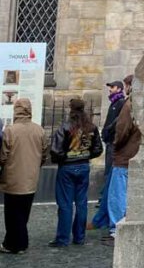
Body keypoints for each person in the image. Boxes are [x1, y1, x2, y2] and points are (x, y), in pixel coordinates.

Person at [49, 98, 102, 248]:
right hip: (83, 166)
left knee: (65, 204)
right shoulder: (91, 127)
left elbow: (56, 150)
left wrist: (63, 158)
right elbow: (98, 148)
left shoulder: (65, 127)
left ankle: (63, 238)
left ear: (71, 110)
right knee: (81, 203)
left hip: (67, 167)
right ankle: (79, 237)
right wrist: (85, 156)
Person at [0, 98, 48, 254]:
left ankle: (14, 244)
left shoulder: (10, 130)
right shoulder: (39, 130)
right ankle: (20, 242)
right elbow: (44, 154)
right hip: (31, 178)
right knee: (24, 212)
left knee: (12, 214)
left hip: (13, 178)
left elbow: (3, 156)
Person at [88, 80, 126, 232]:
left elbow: (118, 125)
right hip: (111, 144)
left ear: (121, 88)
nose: (110, 89)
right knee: (109, 180)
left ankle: (111, 224)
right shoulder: (114, 102)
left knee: (113, 183)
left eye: (113, 87)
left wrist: (109, 133)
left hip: (115, 147)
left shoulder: (121, 103)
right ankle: (100, 219)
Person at [105, 94, 141, 244]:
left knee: (117, 195)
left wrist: (115, 145)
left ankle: (116, 229)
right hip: (135, 155)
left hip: (124, 157)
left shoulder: (130, 104)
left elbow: (121, 130)